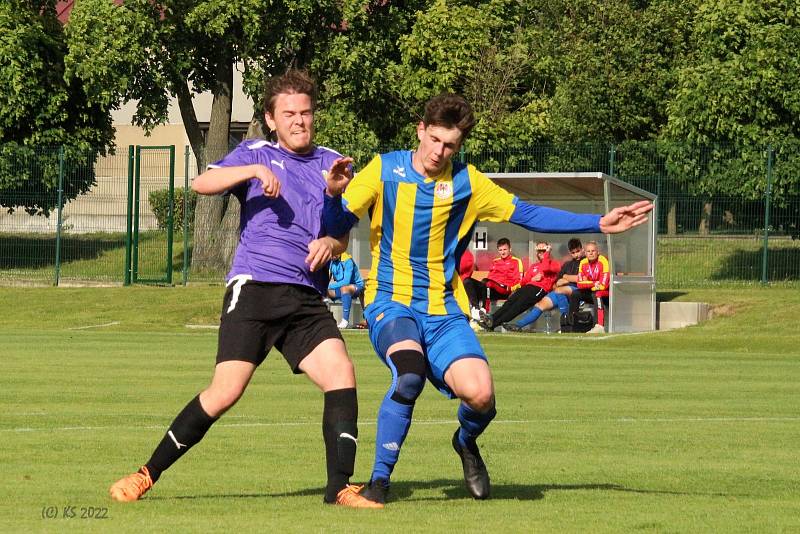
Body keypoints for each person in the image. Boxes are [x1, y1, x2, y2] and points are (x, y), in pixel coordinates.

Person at [322, 94, 652, 504]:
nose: (439, 152)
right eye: (436, 140)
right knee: (408, 374)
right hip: (391, 303)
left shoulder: (468, 182)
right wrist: (333, 195)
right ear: (420, 130)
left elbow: (526, 213)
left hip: (444, 310)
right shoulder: (384, 169)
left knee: (480, 395)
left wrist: (598, 222)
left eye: (451, 146)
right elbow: (336, 224)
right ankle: (378, 484)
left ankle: (465, 443)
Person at [108, 70, 381, 509]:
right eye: (289, 114)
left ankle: (339, 489)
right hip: (254, 289)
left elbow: (340, 234)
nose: (299, 121)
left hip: (305, 297)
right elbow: (201, 184)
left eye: (306, 113)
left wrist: (331, 232)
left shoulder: (334, 163)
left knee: (342, 374)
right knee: (225, 392)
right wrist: (252, 169)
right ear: (271, 120)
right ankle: (145, 475)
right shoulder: (256, 152)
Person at [505, 238, 585, 332]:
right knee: (540, 305)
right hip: (561, 291)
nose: (576, 255)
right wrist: (565, 279)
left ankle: (565, 324)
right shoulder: (567, 264)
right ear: (570, 252)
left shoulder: (585, 262)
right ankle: (518, 325)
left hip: (578, 290)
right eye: (573, 252)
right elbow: (558, 280)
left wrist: (566, 278)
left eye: (578, 251)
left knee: (559, 291)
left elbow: (581, 278)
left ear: (582, 249)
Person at [478, 241, 560, 331]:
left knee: (517, 306)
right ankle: (492, 318)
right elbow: (523, 282)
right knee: (510, 302)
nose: (541, 253)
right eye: (539, 251)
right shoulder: (534, 266)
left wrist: (547, 254)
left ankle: (493, 324)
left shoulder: (554, 264)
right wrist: (532, 279)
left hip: (540, 289)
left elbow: (545, 268)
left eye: (543, 251)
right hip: (528, 287)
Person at [571, 241, 610, 334]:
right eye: (588, 251)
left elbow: (603, 285)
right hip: (591, 291)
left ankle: (599, 326)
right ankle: (572, 323)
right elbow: (580, 284)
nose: (591, 253)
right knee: (575, 293)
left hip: (606, 294)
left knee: (597, 293)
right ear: (585, 253)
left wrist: (588, 283)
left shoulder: (603, 261)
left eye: (593, 251)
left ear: (598, 252)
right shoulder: (583, 262)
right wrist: (594, 283)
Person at [474, 238, 523, 310]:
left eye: (505, 249)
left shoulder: (516, 261)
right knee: (468, 281)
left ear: (510, 249)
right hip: (492, 289)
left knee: (486, 282)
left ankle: (484, 310)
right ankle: (475, 309)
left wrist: (512, 290)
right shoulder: (495, 261)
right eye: (500, 250)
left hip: (505, 290)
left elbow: (519, 280)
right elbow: (490, 277)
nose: (502, 252)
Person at [328, 251, 365, 329]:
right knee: (322, 291)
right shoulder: (330, 261)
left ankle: (345, 320)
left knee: (344, 288)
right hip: (342, 289)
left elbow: (346, 282)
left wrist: (328, 286)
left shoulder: (348, 261)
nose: (332, 255)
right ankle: (323, 321)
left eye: (335, 251)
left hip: (357, 287)